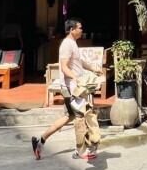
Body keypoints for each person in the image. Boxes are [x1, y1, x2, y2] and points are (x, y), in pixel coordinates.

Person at [31, 18, 102, 161]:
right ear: (72, 30)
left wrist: (92, 68)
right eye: (80, 28)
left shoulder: (73, 43)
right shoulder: (66, 45)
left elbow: (77, 62)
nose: (82, 30)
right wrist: (75, 79)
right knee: (83, 116)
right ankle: (83, 149)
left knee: (68, 117)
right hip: (71, 88)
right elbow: (63, 66)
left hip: (74, 87)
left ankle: (41, 141)